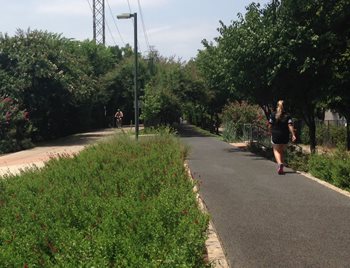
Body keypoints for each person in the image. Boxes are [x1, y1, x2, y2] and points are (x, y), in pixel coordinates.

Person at [268, 100, 296, 175]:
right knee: (282, 151)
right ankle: (282, 168)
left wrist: (270, 132)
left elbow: (270, 125)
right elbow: (290, 125)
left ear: (277, 106)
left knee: (276, 150)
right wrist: (293, 134)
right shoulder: (288, 115)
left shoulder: (273, 114)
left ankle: (280, 163)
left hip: (276, 135)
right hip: (285, 136)